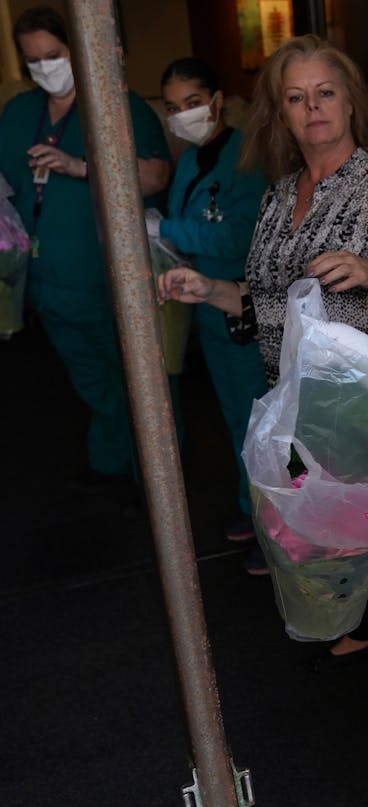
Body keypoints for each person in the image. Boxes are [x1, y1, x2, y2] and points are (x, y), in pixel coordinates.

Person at [157, 35, 368, 740]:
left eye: (325, 92)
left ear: (349, 100)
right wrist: (210, 290)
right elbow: (265, 303)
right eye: (296, 97)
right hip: (307, 414)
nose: (312, 107)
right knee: (344, 537)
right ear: (280, 114)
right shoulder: (281, 196)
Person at [0, 5, 171, 483]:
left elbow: (156, 175)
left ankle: (151, 476)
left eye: (52, 55)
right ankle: (118, 458)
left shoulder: (117, 105)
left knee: (136, 380)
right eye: (32, 61)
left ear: (78, 48)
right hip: (44, 282)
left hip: (104, 279)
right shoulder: (20, 113)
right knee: (91, 379)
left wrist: (81, 166)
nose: (44, 69)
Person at [154, 56, 268, 545]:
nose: (183, 115)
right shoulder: (189, 160)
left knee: (258, 422)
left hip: (242, 310)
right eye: (174, 107)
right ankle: (253, 508)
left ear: (219, 102)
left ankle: (274, 531)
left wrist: (168, 229)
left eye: (194, 103)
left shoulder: (247, 158)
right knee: (234, 419)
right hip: (207, 311)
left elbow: (242, 238)